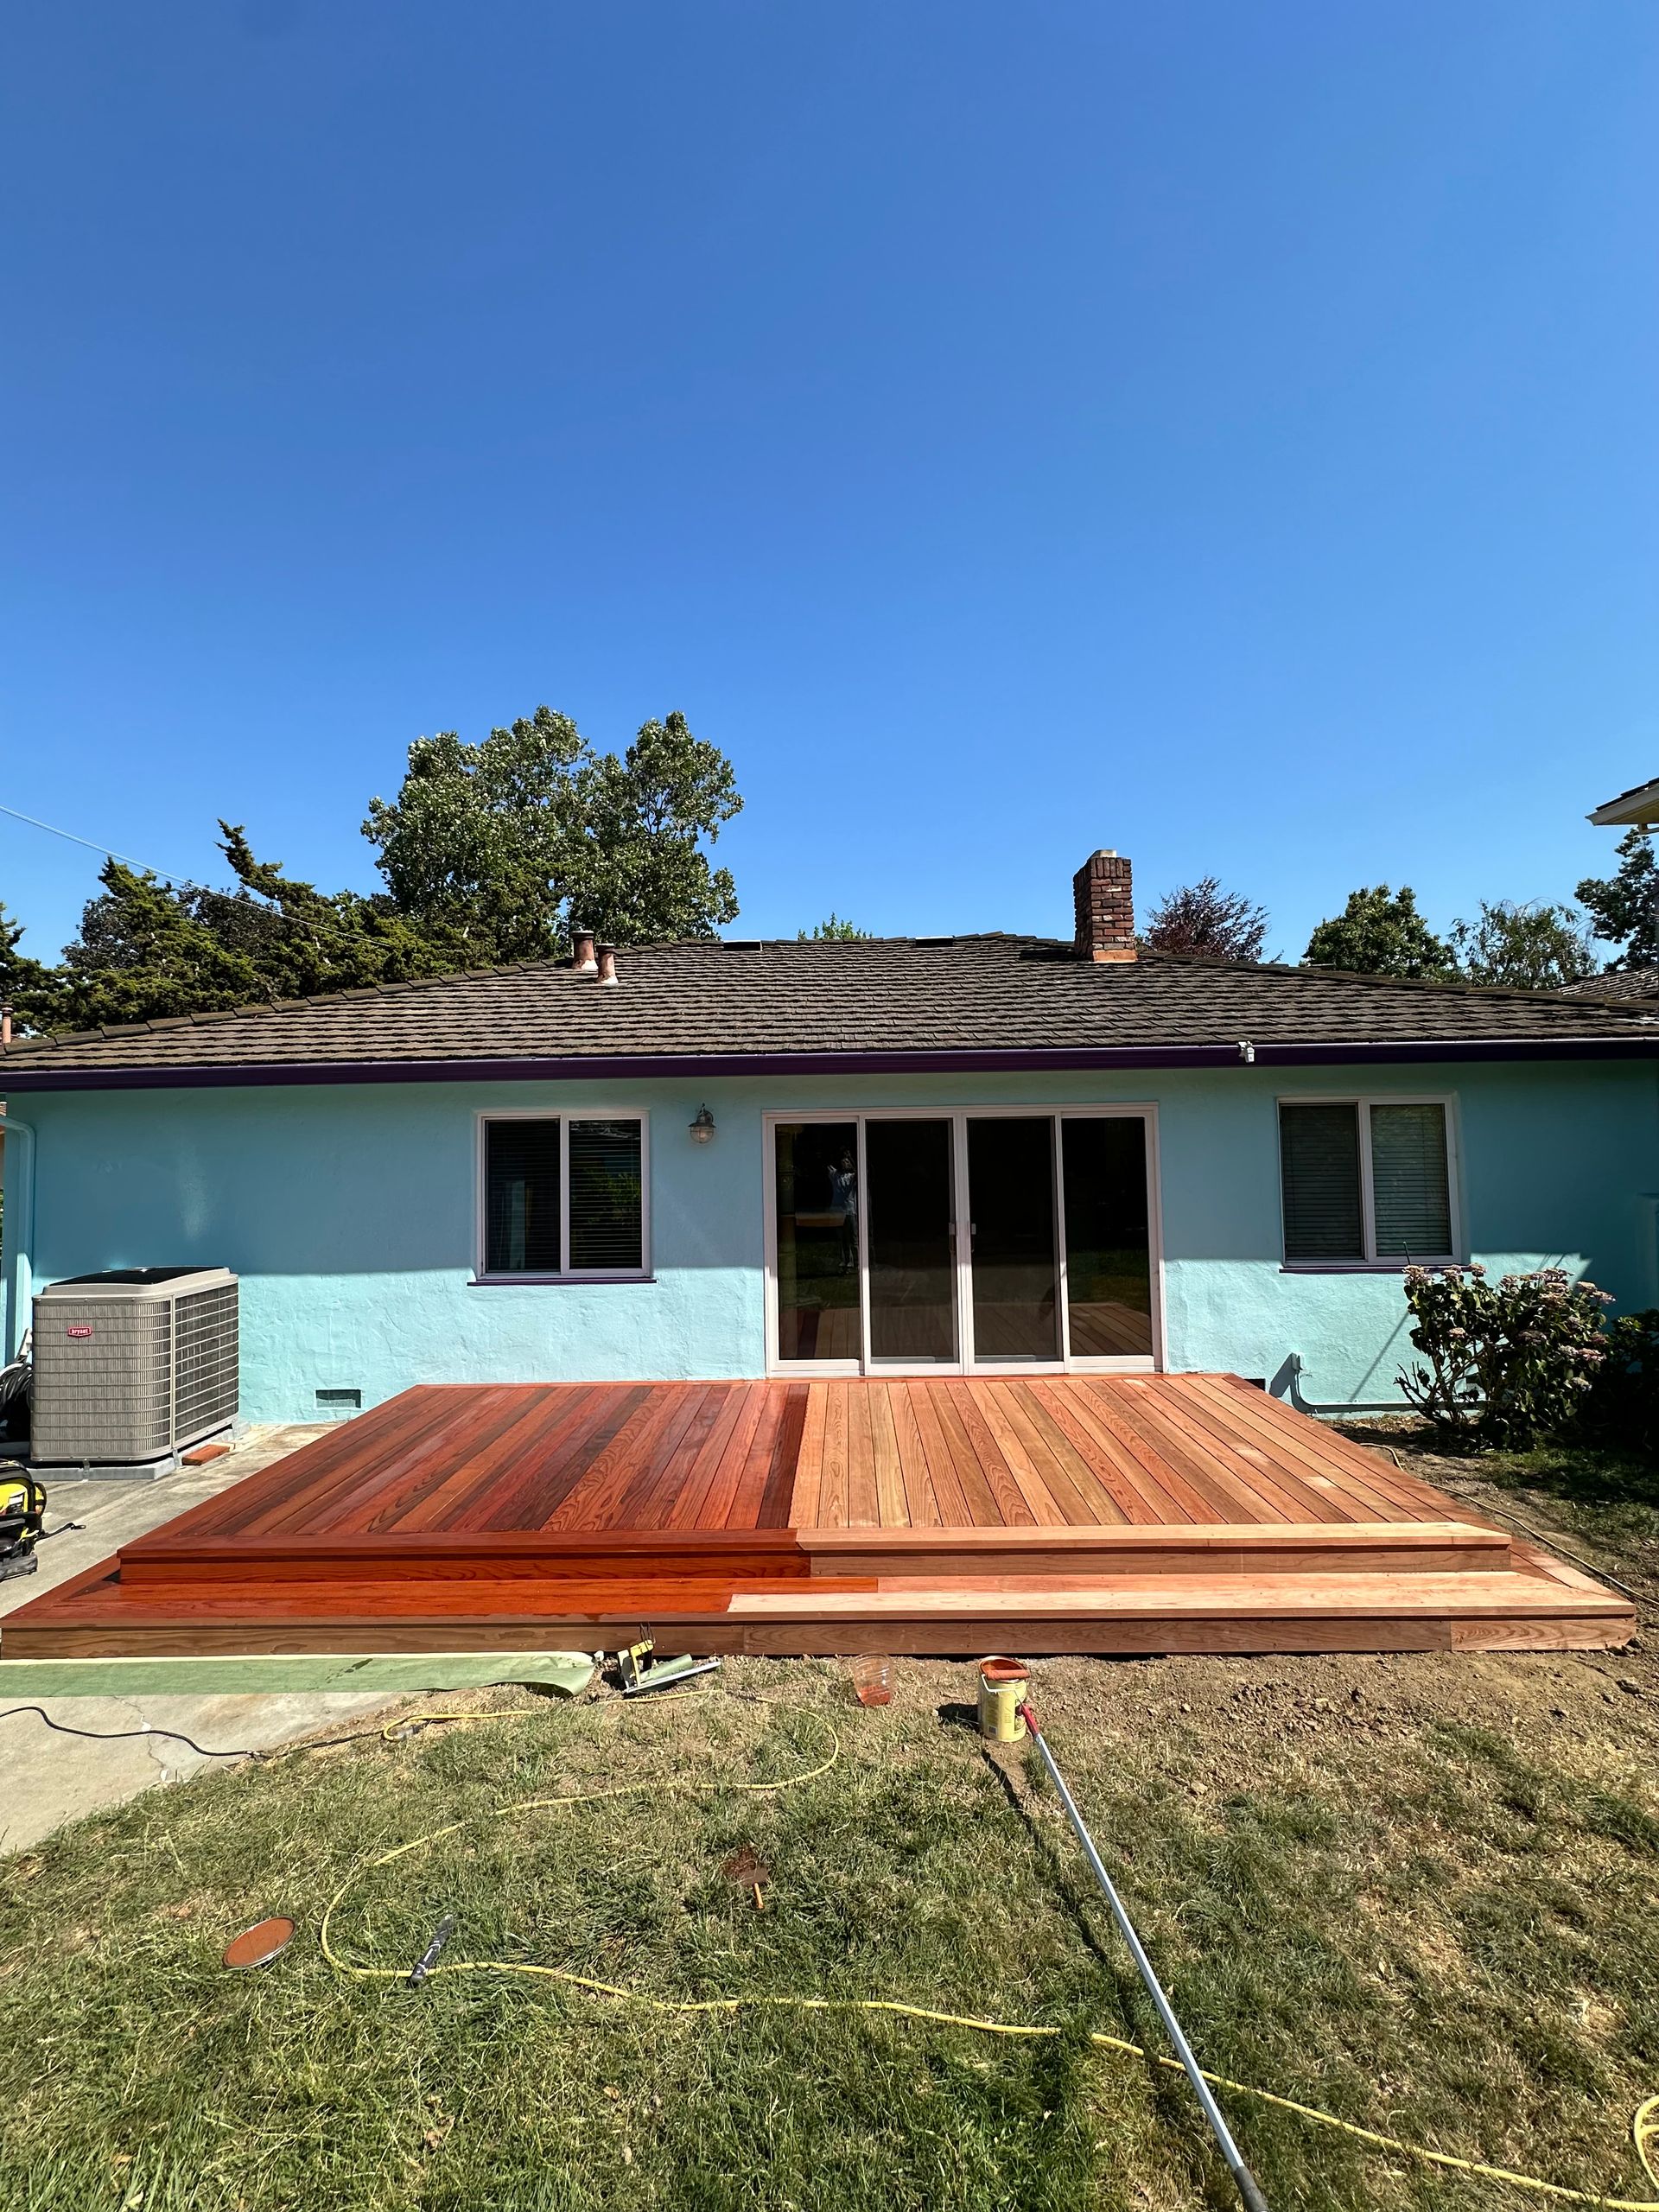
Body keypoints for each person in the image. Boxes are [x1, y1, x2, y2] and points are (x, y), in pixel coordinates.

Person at [828, 1150, 858, 1274]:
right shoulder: (835, 1175)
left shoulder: (851, 1177)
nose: (844, 1164)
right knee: (843, 1239)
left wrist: (851, 1158)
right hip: (837, 1211)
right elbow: (828, 1165)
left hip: (850, 1211)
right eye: (843, 1162)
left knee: (854, 1238)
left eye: (847, 1162)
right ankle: (846, 1261)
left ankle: (857, 1262)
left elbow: (858, 1172)